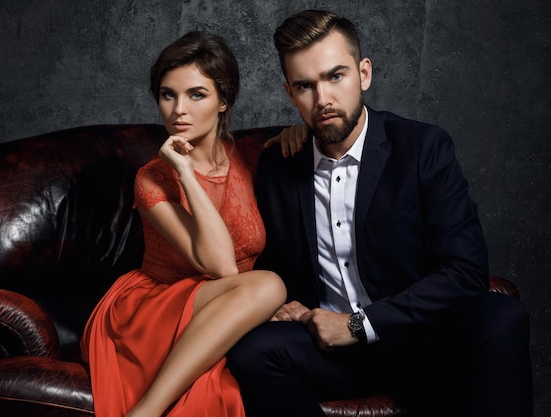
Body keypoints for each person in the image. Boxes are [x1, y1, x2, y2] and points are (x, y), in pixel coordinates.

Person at [226, 9, 533, 417]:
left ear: (363, 73)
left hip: (420, 342)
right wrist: (286, 305)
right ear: (289, 94)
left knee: (503, 314)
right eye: (305, 86)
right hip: (329, 352)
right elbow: (270, 264)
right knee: (252, 351)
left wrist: (358, 325)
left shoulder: (423, 148)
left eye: (336, 76)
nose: (323, 100)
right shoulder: (279, 166)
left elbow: (465, 271)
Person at [80, 31, 287, 417]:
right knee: (270, 284)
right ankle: (146, 411)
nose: (179, 110)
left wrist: (301, 133)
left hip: (223, 307)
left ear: (223, 101)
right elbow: (222, 268)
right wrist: (186, 173)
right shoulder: (151, 179)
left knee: (234, 383)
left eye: (196, 94)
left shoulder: (249, 157)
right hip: (153, 309)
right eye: (167, 94)